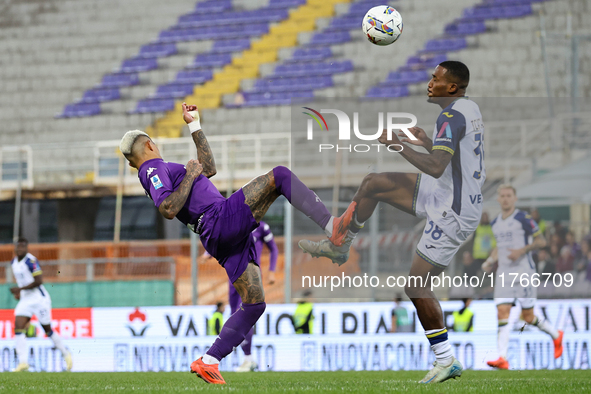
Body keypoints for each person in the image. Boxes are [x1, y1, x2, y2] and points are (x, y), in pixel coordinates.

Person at [120, 103, 336, 385]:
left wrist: (194, 126)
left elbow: (208, 168)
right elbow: (168, 208)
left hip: (218, 236)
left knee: (254, 304)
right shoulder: (153, 170)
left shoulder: (158, 171)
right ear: (149, 145)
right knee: (280, 175)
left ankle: (209, 361)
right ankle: (334, 227)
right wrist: (189, 174)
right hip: (218, 220)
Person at [300, 61, 481, 383]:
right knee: (374, 182)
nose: (430, 83)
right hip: (447, 193)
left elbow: (438, 166)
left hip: (453, 211)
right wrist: (424, 140)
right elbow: (452, 159)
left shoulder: (452, 115)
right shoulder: (468, 109)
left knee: (415, 286)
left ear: (451, 87)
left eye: (435, 79)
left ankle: (445, 360)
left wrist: (397, 145)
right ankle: (340, 245)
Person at [482, 185, 563, 370]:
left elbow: (541, 240)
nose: (505, 199)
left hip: (524, 272)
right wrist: (489, 260)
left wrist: (522, 250)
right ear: (498, 199)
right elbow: (499, 247)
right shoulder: (495, 223)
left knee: (528, 317)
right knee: (502, 312)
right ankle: (502, 357)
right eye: (502, 196)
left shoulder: (523, 218)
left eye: (508, 196)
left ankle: (556, 335)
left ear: (515, 198)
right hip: (503, 274)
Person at [10, 238, 72, 372]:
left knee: (47, 329)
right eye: (18, 247)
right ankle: (23, 362)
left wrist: (20, 289)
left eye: (22, 247)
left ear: (26, 248)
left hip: (39, 300)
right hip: (26, 300)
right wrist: (19, 294)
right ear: (15, 248)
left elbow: (39, 281)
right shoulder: (13, 262)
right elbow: (23, 282)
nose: (20, 249)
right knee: (18, 326)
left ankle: (65, 353)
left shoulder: (31, 261)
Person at [232, 220, 278, 373]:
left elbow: (274, 249)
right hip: (231, 276)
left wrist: (272, 271)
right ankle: (247, 359)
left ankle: (248, 359)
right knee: (234, 316)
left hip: (250, 276)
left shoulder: (262, 227)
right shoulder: (232, 224)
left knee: (243, 317)